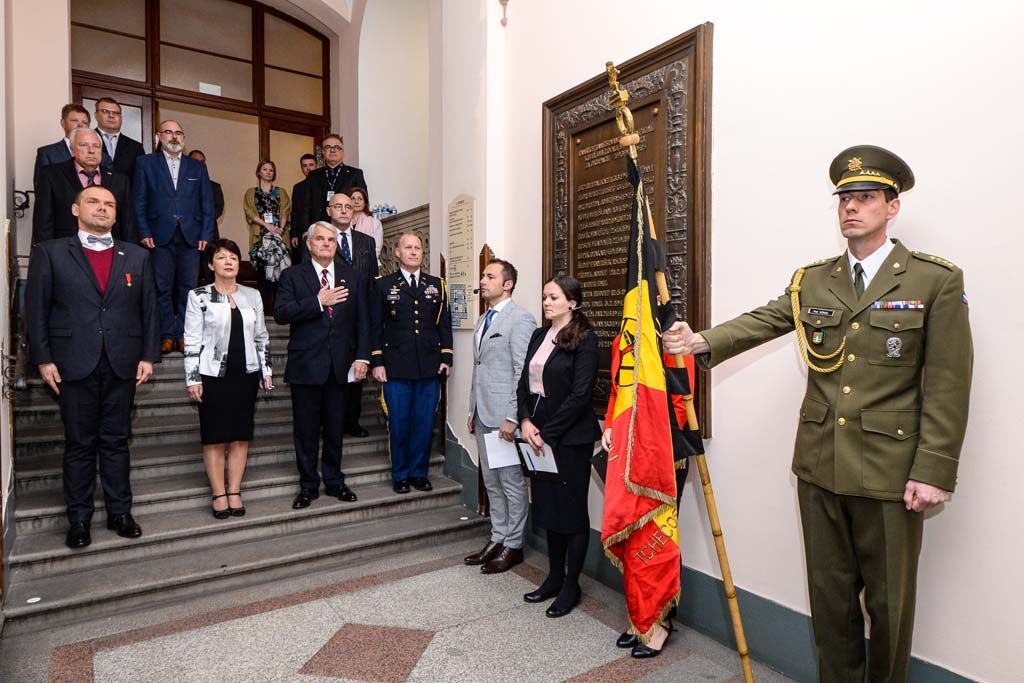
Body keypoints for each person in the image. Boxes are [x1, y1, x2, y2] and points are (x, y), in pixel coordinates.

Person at [663, 145, 973, 682]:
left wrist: (934, 469)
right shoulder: (814, 280)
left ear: (892, 207)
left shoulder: (932, 280)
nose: (852, 207)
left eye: (867, 198)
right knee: (830, 605)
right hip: (820, 465)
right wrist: (702, 341)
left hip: (891, 473)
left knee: (890, 606)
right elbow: (766, 319)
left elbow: (949, 381)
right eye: (845, 199)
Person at [25, 185, 160, 549]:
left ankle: (120, 512)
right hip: (72, 363)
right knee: (80, 444)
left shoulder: (135, 256)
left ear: (117, 215)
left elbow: (149, 310)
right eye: (94, 202)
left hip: (122, 363)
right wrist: (42, 358)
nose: (102, 208)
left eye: (109, 204)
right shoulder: (50, 253)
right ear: (75, 208)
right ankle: (80, 519)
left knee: (117, 442)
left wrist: (148, 355)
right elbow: (36, 310)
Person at [516, 276, 601, 617]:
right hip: (537, 432)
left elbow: (581, 395)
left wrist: (546, 432)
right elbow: (524, 382)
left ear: (572, 302)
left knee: (571, 512)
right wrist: (524, 421)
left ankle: (571, 585)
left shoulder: (585, 339)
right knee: (548, 508)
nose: (546, 302)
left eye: (553, 297)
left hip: (568, 438)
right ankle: (553, 576)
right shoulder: (539, 334)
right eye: (544, 296)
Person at [274, 221, 370, 509]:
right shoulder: (293, 276)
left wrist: (363, 356)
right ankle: (307, 485)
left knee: (335, 427)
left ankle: (335, 481)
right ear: (309, 244)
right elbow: (281, 313)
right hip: (306, 366)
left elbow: (362, 320)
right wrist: (317, 301)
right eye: (320, 239)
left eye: (331, 239)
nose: (327, 243)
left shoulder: (351, 276)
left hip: (341, 366)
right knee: (305, 430)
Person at [184, 239, 273, 519]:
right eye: (222, 257)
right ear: (211, 264)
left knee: (240, 437)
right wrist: (192, 378)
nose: (229, 262)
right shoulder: (198, 296)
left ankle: (234, 490)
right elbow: (192, 341)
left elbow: (261, 336)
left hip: (244, 375)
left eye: (233, 257)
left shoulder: (253, 295)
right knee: (214, 438)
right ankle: (218, 493)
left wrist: (265, 370)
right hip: (212, 375)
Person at [464, 258, 537, 573]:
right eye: (483, 275)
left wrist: (512, 415)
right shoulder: (483, 320)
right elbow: (479, 368)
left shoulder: (520, 320)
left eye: (490, 276)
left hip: (504, 417)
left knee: (510, 482)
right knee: (491, 482)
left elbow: (522, 372)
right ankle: (497, 537)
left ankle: (514, 545)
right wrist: (471, 408)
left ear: (507, 284)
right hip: (483, 413)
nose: (483, 280)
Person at [371, 233, 453, 493]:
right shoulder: (383, 285)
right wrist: (377, 361)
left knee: (424, 422)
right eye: (408, 247)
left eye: (418, 247)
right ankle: (401, 474)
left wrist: (446, 357)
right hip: (395, 366)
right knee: (399, 422)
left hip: (429, 366)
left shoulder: (437, 285)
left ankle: (419, 473)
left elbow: (443, 324)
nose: (414, 252)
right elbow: (375, 327)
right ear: (397, 252)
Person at [133, 120, 215, 355]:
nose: (174, 137)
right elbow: (139, 200)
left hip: (191, 236)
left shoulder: (196, 167)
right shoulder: (145, 163)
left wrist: (206, 234)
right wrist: (144, 230)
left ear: (184, 138)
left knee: (189, 288)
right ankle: (167, 334)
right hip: (158, 235)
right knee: (161, 287)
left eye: (179, 133)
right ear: (159, 136)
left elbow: (206, 203)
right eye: (168, 132)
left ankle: (185, 335)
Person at [325, 192, 379, 438]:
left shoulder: (366, 242)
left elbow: (373, 281)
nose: (344, 210)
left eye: (348, 206)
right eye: (339, 206)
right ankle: (328, 424)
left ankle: (352, 421)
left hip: (359, 315)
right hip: (330, 315)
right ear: (329, 211)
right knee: (331, 373)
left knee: (357, 370)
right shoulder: (319, 239)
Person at [33, 127, 135, 245]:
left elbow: (128, 224)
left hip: (109, 250)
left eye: (96, 146)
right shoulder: (51, 175)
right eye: (84, 145)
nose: (91, 150)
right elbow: (43, 221)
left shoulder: (120, 180)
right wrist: (48, 254)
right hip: (65, 250)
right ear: (72, 150)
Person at [294, 134, 366, 238]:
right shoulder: (313, 175)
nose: (332, 150)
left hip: (346, 229)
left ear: (342, 152)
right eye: (328, 147)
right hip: (318, 230)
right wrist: (306, 231)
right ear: (323, 152)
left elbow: (362, 203)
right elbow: (306, 205)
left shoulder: (355, 174)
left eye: (337, 147)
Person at [243, 159, 292, 312]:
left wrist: (280, 228)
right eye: (265, 169)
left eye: (271, 170)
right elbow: (249, 212)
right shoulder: (251, 192)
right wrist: (267, 226)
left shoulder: (281, 191)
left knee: (280, 276)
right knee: (263, 277)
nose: (268, 172)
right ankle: (263, 313)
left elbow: (285, 210)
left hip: (279, 237)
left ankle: (280, 311)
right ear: (259, 172)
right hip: (261, 238)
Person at [33, 103, 91, 190]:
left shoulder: (100, 155)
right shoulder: (47, 153)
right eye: (75, 120)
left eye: (84, 122)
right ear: (63, 123)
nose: (80, 125)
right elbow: (41, 189)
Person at [94, 96, 144, 179]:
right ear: (96, 115)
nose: (111, 116)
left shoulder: (136, 147)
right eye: (105, 111)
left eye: (116, 113)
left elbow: (139, 179)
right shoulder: (85, 141)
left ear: (121, 118)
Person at [290, 153, 319, 259]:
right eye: (305, 166)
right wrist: (294, 234)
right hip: (302, 232)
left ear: (317, 166)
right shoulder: (298, 187)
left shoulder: (324, 185)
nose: (308, 168)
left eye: (311, 165)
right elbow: (294, 212)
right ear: (301, 168)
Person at [350, 187, 383, 266]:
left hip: (369, 265)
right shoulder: (344, 223)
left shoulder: (374, 223)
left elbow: (376, 249)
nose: (356, 202)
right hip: (347, 267)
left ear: (365, 203)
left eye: (360, 199)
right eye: (353, 198)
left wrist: (360, 263)